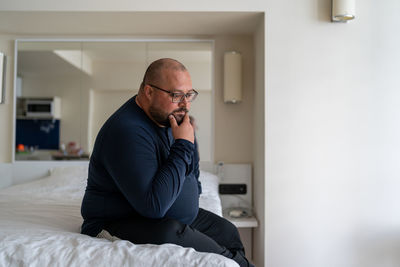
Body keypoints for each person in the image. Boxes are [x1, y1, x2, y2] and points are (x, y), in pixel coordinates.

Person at [80, 58, 254, 267]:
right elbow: (154, 207)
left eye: (189, 95)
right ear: (149, 92)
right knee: (221, 258)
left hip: (171, 215)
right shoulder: (127, 131)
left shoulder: (173, 118)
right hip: (119, 221)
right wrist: (183, 144)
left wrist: (188, 148)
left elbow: (192, 173)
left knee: (228, 232)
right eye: (176, 95)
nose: (186, 104)